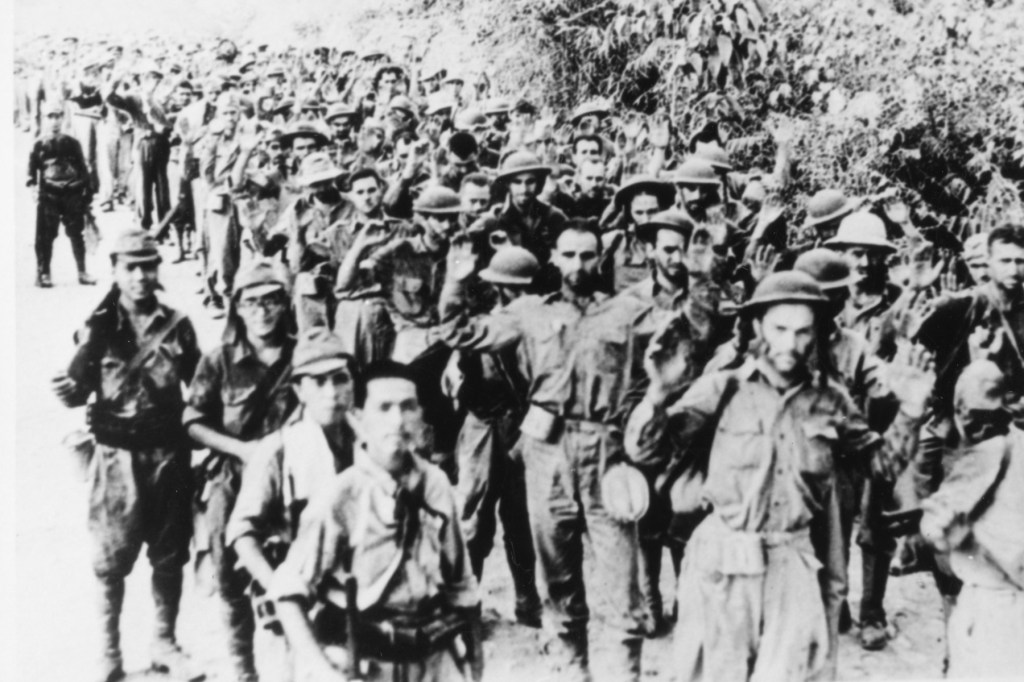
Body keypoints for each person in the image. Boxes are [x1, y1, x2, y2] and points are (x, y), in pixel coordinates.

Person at [625, 270, 936, 681]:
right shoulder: (723, 388)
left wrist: (911, 414)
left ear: (818, 334)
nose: (791, 344)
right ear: (758, 327)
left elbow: (880, 465)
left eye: (804, 332)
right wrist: (657, 397)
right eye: (780, 329)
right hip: (724, 558)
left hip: (793, 562)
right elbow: (645, 451)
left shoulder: (831, 400)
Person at [436, 220, 648, 681]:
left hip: (606, 454)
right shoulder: (529, 312)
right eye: (569, 255)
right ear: (554, 257)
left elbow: (672, 348)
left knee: (621, 588)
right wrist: (456, 278)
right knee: (560, 583)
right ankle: (573, 672)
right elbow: (459, 332)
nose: (579, 265)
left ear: (600, 259)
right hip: (547, 453)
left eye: (588, 255)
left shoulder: (626, 313)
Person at [269, 361, 484, 682]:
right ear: (359, 417)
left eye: (408, 407)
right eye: (384, 408)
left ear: (421, 415)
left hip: (431, 659)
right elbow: (288, 594)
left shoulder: (435, 484)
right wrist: (325, 672)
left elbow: (461, 586)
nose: (398, 420)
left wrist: (474, 665)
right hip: (364, 662)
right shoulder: (341, 496)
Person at [51, 228, 203, 682]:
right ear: (115, 272)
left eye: (147, 265)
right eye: (130, 267)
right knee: (110, 561)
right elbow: (78, 392)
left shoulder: (179, 325)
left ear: (158, 269)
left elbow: (200, 387)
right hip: (116, 459)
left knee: (170, 555)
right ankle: (109, 652)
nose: (140, 275)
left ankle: (165, 642)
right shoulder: (97, 328)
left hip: (169, 457)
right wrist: (65, 390)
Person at [184, 262, 297, 681]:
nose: (263, 311)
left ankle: (296, 665)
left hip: (294, 478)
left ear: (285, 304)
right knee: (229, 573)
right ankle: (243, 671)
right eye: (252, 302)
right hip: (235, 475)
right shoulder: (219, 361)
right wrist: (242, 450)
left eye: (271, 300)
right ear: (237, 308)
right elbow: (194, 421)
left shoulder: (304, 355)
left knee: (300, 575)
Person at [226, 329, 360, 681]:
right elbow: (242, 532)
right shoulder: (279, 450)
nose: (332, 392)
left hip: (362, 589)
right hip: (301, 594)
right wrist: (277, 587)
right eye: (318, 382)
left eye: (340, 379)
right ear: (300, 391)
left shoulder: (370, 443)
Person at [443, 246, 543, 628]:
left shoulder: (524, 322)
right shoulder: (488, 324)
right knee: (474, 518)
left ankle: (526, 601)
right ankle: (468, 603)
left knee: (520, 518)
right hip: (484, 424)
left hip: (518, 424)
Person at [919, 360, 1024, 679]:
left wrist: (966, 539)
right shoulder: (1002, 451)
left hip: (995, 607)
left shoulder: (993, 452)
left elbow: (937, 531)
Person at [27, 99, 96, 287]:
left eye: (58, 116)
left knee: (76, 233)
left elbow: (83, 168)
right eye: (51, 116)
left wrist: (86, 194)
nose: (55, 121)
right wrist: (34, 189)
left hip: (72, 193)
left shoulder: (72, 143)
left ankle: (82, 272)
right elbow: (31, 174)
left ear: (63, 118)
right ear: (44, 119)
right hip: (49, 194)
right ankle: (44, 273)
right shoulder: (38, 144)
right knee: (46, 236)